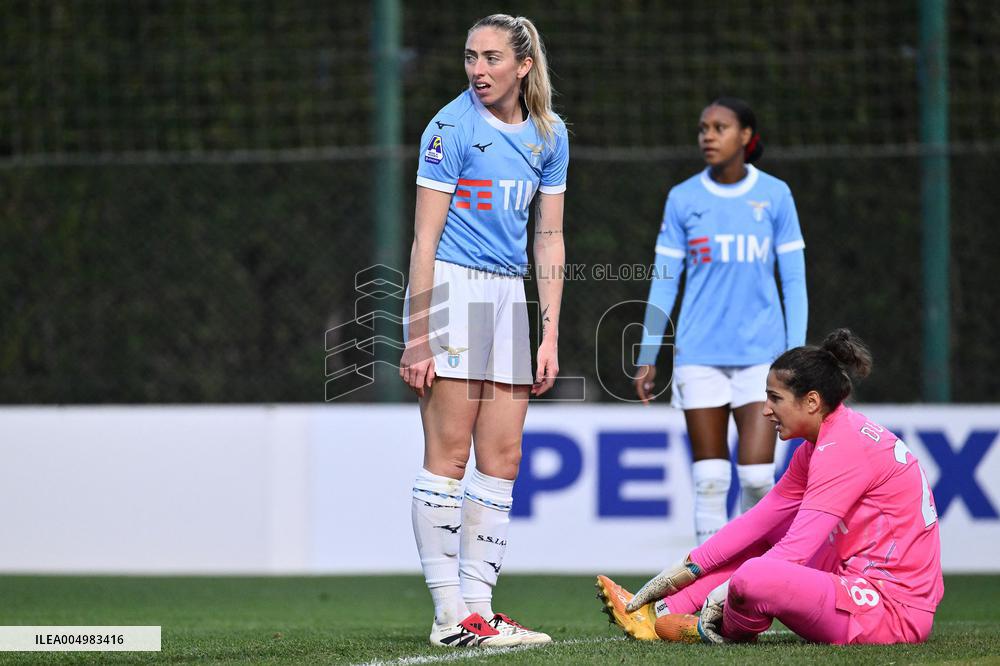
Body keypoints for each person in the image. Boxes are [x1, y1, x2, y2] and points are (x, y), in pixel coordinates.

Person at [597, 329, 943, 645]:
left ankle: (719, 629)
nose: (765, 410)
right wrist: (684, 571)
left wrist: (726, 592)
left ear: (811, 401)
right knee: (767, 536)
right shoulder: (822, 442)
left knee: (755, 577)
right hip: (853, 581)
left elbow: (795, 551)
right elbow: (760, 520)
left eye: (774, 398)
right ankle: (659, 612)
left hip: (889, 611)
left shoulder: (841, 448)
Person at [399, 14, 568, 648]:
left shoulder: (549, 136)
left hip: (509, 296)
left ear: (523, 66)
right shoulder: (449, 128)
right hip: (456, 287)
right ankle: (449, 617)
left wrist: (549, 333)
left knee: (503, 459)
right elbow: (423, 240)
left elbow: (548, 237)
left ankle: (481, 610)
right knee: (447, 457)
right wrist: (418, 333)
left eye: (492, 58)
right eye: (471, 56)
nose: (478, 69)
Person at [633, 97, 808, 544]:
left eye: (719, 127)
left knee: (755, 478)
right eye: (703, 128)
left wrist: (796, 358)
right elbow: (664, 280)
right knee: (710, 480)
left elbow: (793, 282)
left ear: (746, 136)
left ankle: (752, 582)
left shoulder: (775, 195)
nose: (708, 136)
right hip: (700, 356)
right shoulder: (683, 198)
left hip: (761, 359)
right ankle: (709, 589)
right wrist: (650, 352)